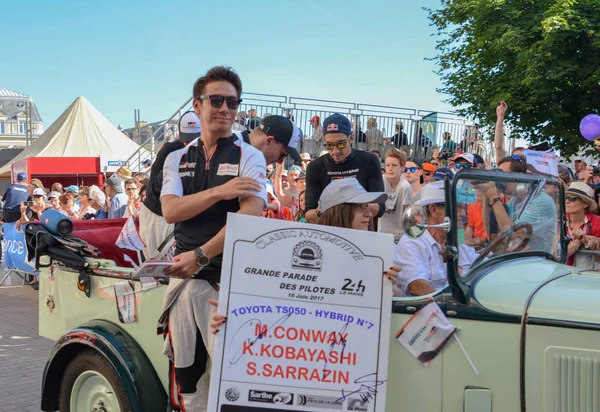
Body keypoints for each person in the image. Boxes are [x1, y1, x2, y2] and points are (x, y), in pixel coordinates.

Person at [159, 66, 267, 411]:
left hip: (227, 284)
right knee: (188, 382)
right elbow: (171, 212)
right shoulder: (177, 157)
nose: (225, 109)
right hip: (183, 283)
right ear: (197, 104)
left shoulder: (249, 155)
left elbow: (249, 215)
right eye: (217, 100)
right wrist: (221, 192)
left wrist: (201, 255)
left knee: (232, 379)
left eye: (233, 103)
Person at [210, 178, 400, 334]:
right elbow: (272, 300)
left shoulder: (377, 255)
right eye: (360, 206)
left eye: (367, 205)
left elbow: (392, 307)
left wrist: (389, 286)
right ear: (340, 211)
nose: (369, 213)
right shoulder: (294, 250)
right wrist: (232, 314)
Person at [394, 181, 478, 296]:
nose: (463, 213)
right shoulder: (411, 243)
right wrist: (449, 307)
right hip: (434, 312)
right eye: (457, 207)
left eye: (463, 207)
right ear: (433, 210)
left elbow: (481, 265)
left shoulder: (458, 244)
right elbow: (417, 285)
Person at [140, 111, 200, 261]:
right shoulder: (170, 150)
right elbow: (153, 182)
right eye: (186, 141)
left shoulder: (205, 151)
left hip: (180, 214)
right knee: (157, 260)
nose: (189, 145)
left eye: (193, 140)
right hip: (157, 213)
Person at [304, 113, 384, 224]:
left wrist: (336, 207)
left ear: (351, 138)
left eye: (341, 144)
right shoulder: (315, 167)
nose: (335, 151)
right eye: (329, 145)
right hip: (329, 232)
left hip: (359, 232)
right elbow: (309, 215)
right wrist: (321, 210)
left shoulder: (369, 161)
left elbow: (380, 208)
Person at [479, 155, 558, 254]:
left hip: (537, 263)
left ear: (520, 177)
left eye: (504, 176)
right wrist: (487, 194)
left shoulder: (541, 201)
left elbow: (513, 234)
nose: (500, 181)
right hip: (519, 260)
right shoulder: (516, 199)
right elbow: (487, 228)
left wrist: (494, 197)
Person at [379, 149, 412, 242]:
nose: (390, 168)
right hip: (381, 234)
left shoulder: (406, 187)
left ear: (402, 167)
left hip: (399, 236)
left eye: (394, 165)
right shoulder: (381, 181)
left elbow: (407, 216)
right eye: (387, 165)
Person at [565, 182, 600, 269]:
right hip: (563, 274)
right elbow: (555, 253)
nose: (567, 201)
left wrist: (586, 240)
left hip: (590, 276)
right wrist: (577, 242)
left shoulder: (597, 221)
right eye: (566, 197)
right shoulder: (560, 221)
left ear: (585, 204)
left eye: (572, 198)